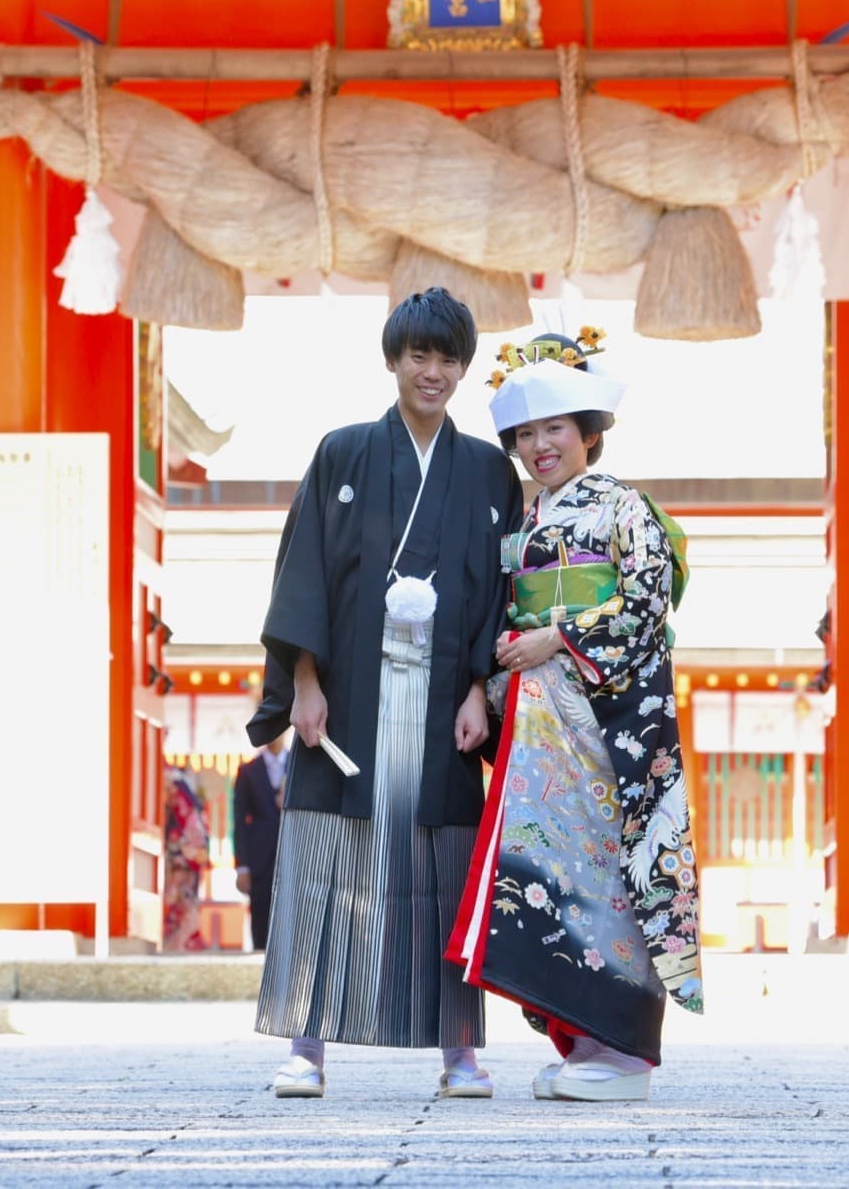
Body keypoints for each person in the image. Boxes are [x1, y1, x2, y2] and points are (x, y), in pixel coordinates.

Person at [247, 287, 524, 1100]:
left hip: (444, 700)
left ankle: (460, 1052)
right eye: (418, 355)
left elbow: (501, 593)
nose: (431, 372)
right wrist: (302, 681)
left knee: (443, 870)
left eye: (447, 358)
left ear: (464, 368)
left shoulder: (484, 470)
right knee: (326, 858)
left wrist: (481, 688)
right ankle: (307, 1045)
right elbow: (303, 570)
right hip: (350, 699)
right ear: (393, 360)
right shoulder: (344, 452)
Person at [448, 328, 704, 1102]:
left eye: (554, 429)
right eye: (525, 434)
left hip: (607, 724)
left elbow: (648, 603)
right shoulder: (522, 526)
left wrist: (557, 635)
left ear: (590, 432)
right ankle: (580, 1038)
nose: (539, 446)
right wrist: (487, 682)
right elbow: (497, 622)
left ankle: (625, 1052)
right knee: (546, 877)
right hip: (537, 728)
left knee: (607, 872)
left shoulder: (626, 509)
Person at [232, 732, 289, 949]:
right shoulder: (248, 771)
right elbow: (239, 820)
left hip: (292, 854)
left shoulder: (298, 766)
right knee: (261, 916)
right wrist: (242, 867)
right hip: (259, 860)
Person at [162, 765, 212, 953]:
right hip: (182, 852)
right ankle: (179, 943)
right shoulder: (176, 780)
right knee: (179, 900)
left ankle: (180, 943)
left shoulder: (173, 779)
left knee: (181, 899)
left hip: (182, 851)